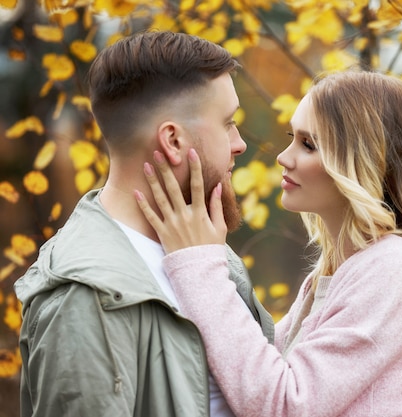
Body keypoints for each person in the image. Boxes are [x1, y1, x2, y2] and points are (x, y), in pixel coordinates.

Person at [136, 70, 402, 416]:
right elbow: (257, 373)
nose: (283, 158)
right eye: (292, 137)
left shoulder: (398, 269)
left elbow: (284, 404)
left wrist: (200, 264)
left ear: (359, 160)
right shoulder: (347, 271)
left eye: (308, 144)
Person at [14, 31, 274, 417]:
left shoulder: (199, 248)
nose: (239, 143)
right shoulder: (86, 299)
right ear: (172, 139)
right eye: (228, 123)